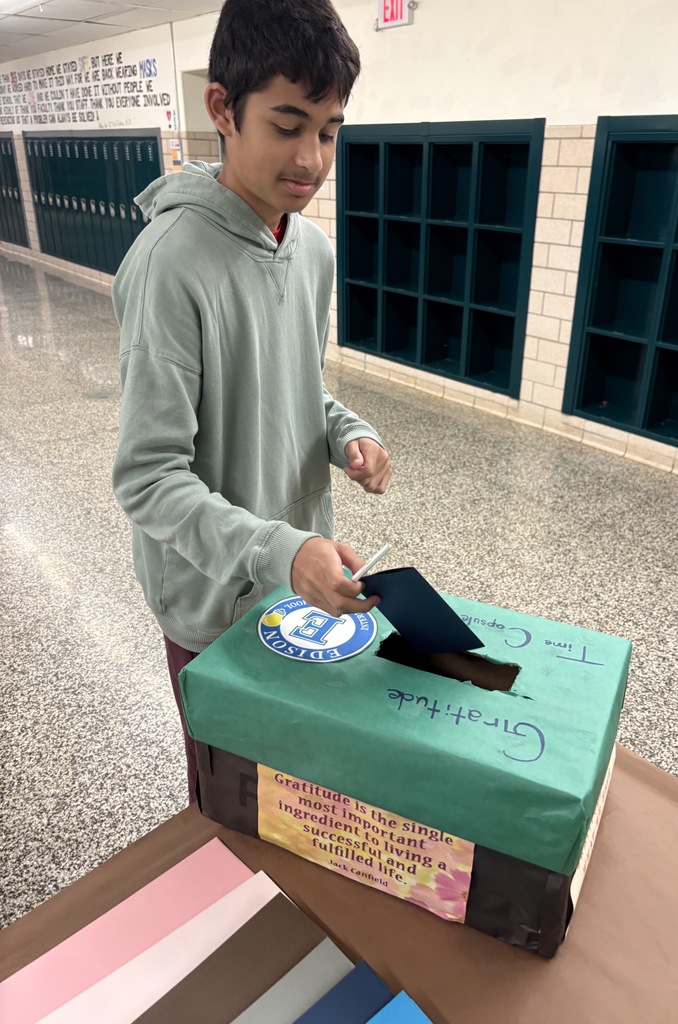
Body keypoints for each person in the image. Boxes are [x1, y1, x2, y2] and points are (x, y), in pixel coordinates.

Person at [112, 0, 391, 803]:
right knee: (233, 797)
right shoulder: (169, 266)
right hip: (213, 600)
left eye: (330, 131)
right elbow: (148, 478)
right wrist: (279, 552)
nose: (311, 158)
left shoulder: (312, 250)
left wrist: (347, 432)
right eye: (288, 124)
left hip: (296, 582)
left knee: (302, 787)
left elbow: (297, 385)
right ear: (223, 109)